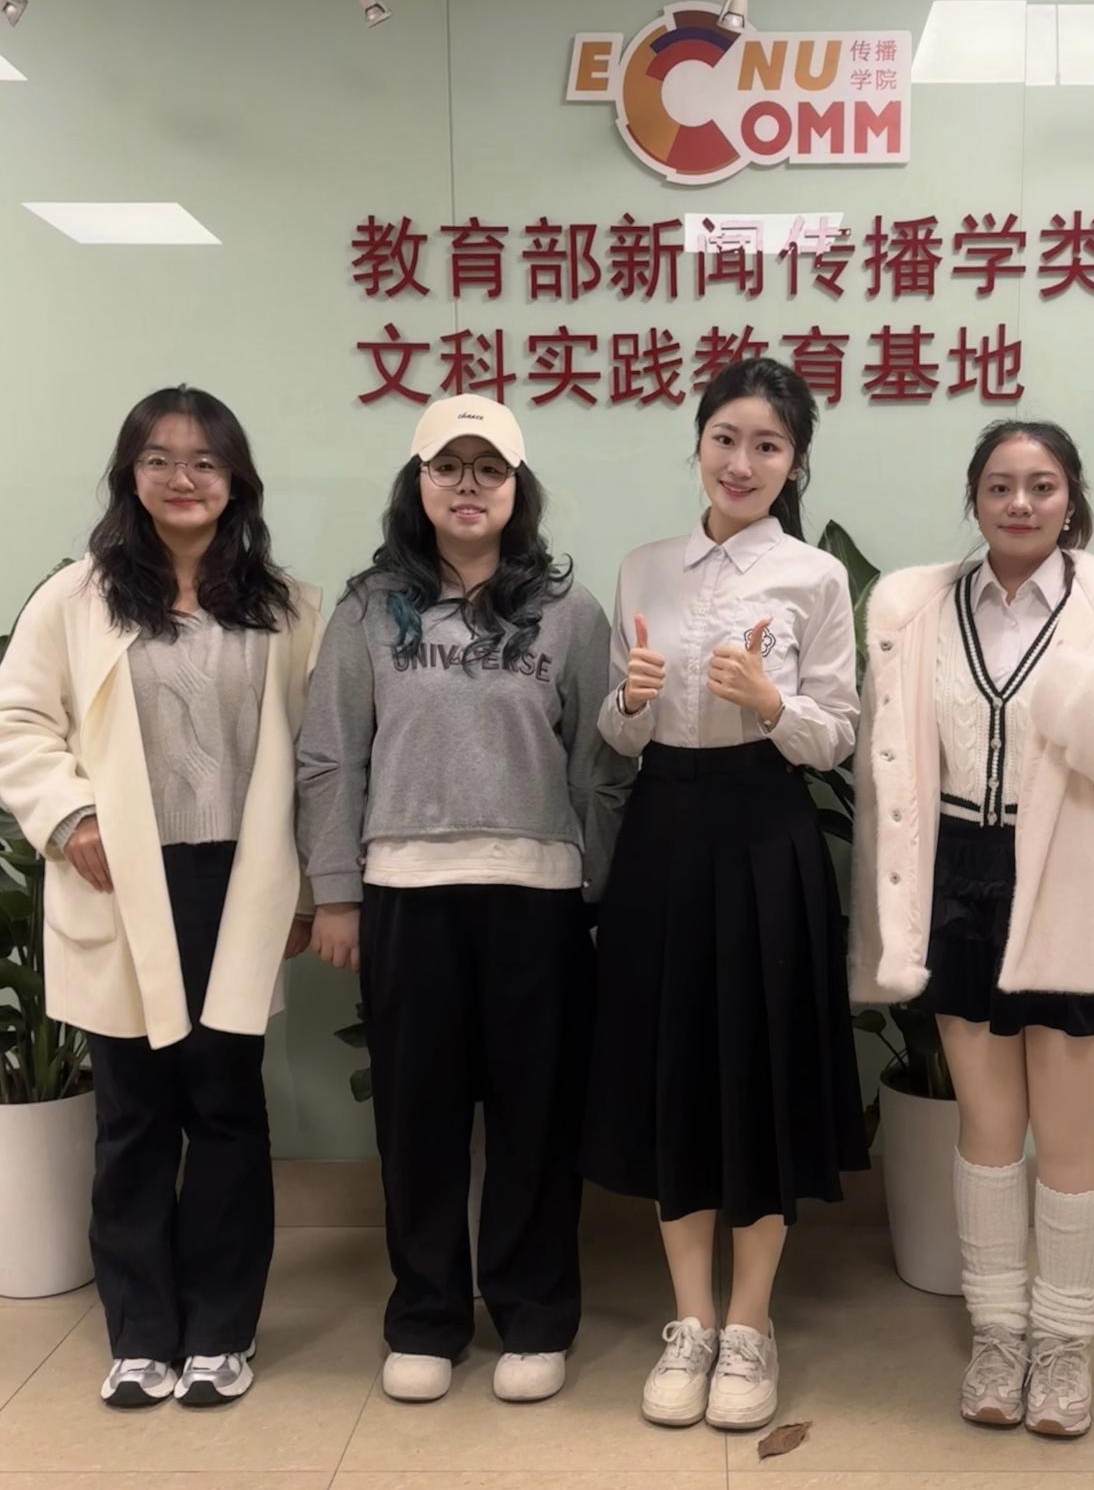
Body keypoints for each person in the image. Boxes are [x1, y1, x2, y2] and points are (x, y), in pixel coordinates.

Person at [849, 419, 1094, 1437]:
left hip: (1075, 885)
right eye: (1000, 484)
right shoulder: (918, 607)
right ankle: (997, 1333)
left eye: (1041, 485)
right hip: (957, 880)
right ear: (973, 497)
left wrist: (1085, 700)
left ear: (1070, 498)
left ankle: (1061, 1344)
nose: (1019, 503)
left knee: (1065, 1133)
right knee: (983, 1126)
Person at [298, 394, 633, 1407]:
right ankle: (426, 1317)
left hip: (538, 897)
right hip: (406, 896)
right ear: (418, 485)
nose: (468, 486)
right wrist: (335, 893)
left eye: (490, 468)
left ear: (517, 488)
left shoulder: (569, 613)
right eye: (448, 467)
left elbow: (599, 766)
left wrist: (602, 892)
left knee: (535, 1118)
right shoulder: (367, 611)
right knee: (418, 1119)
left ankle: (533, 1315)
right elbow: (330, 756)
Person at [0, 386, 322, 1408]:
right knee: (134, 1110)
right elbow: (18, 720)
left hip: (239, 880)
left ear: (236, 481)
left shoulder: (286, 607)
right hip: (119, 876)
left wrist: (309, 893)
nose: (183, 479)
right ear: (129, 474)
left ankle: (222, 1330)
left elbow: (318, 756)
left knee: (225, 1103)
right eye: (160, 459)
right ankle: (141, 1333)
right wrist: (70, 818)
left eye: (205, 462)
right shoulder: (77, 598)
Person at [584, 357, 868, 1431]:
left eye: (767, 445)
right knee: (673, 1063)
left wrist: (769, 704)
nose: (741, 462)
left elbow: (836, 735)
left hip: (764, 833)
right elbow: (617, 737)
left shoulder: (813, 577)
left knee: (758, 1066)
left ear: (793, 462)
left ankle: (750, 1325)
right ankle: (690, 1320)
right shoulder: (642, 567)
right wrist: (627, 701)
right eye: (725, 438)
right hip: (662, 829)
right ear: (697, 443)